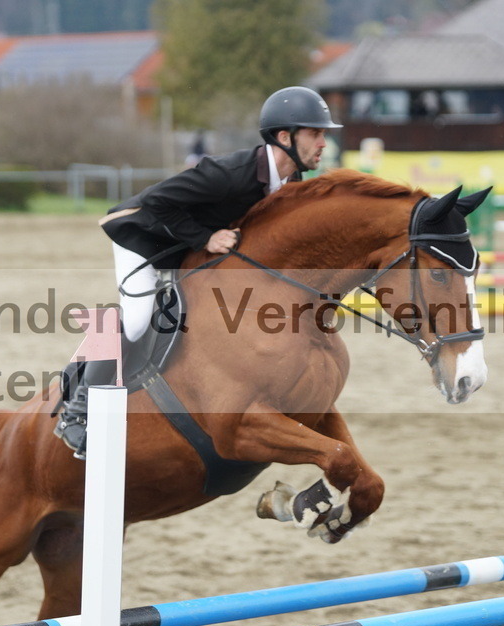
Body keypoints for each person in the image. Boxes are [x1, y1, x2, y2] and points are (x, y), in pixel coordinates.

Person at [54, 85, 343, 456]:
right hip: (142, 238)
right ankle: (75, 412)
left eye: (323, 134)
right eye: (316, 133)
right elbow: (158, 203)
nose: (323, 142)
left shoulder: (291, 183)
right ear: (285, 137)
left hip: (188, 247)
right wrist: (206, 237)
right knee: (139, 318)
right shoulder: (230, 173)